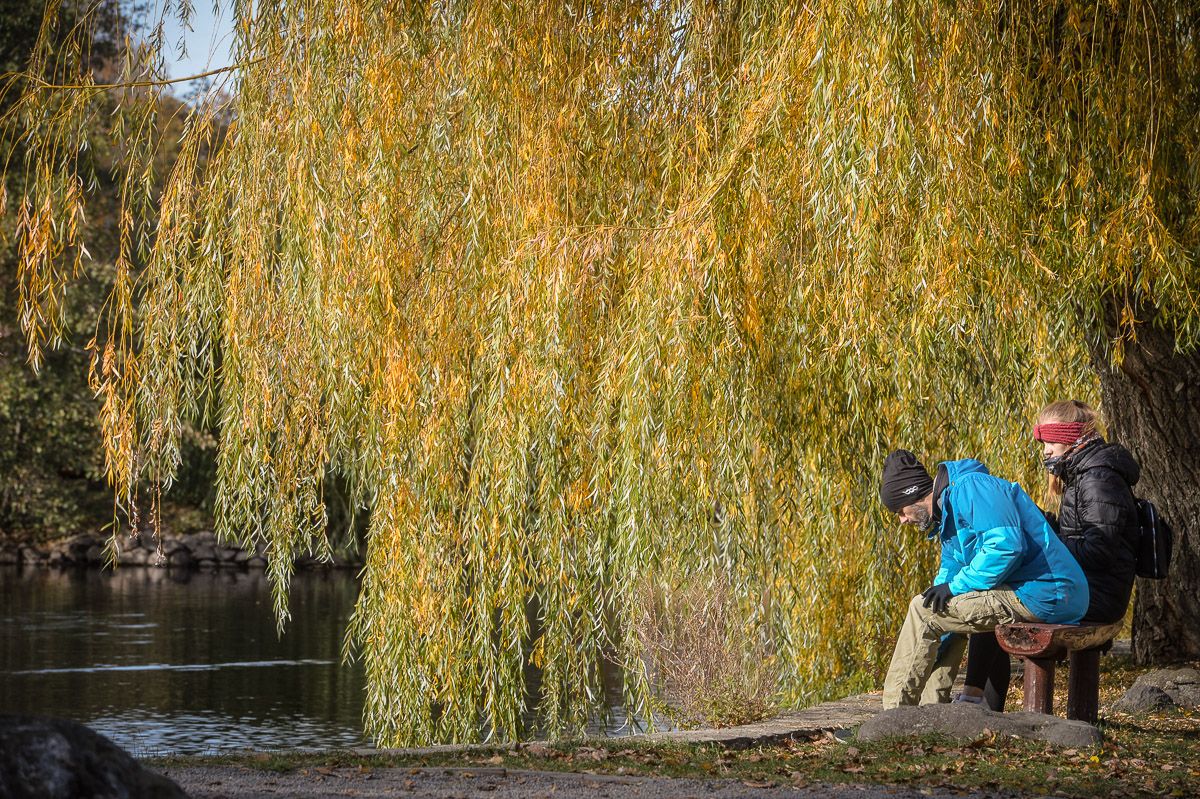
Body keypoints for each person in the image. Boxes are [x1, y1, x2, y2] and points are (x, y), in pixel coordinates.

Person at [953, 400, 1141, 707]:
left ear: (1070, 438)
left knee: (999, 598)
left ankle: (977, 701)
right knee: (1001, 591)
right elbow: (1079, 537)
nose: (1045, 451)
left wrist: (1045, 542)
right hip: (1087, 586)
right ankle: (983, 702)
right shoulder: (1086, 471)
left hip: (1096, 594)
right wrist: (1036, 521)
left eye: (1050, 442)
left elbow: (1099, 551)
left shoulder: (1097, 478)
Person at [878, 449, 1089, 709]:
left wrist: (954, 588)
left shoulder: (972, 488)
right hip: (1041, 591)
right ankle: (931, 710)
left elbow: (1006, 546)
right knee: (933, 606)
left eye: (900, 511)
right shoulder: (948, 518)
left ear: (914, 494)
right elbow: (945, 584)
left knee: (922, 611)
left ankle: (894, 715)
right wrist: (942, 604)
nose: (902, 520)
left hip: (1048, 590)